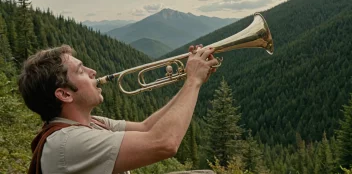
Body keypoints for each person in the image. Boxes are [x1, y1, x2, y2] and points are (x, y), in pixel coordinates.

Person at [18, 44, 218, 174]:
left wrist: (191, 83)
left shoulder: (93, 123)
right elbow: (164, 143)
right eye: (81, 70)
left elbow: (146, 127)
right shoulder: (66, 142)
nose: (92, 72)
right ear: (65, 94)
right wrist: (193, 80)